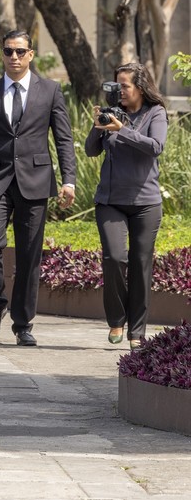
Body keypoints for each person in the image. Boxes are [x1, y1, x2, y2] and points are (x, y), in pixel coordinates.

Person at [0, 30, 76, 346]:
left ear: (31, 54)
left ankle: (23, 323)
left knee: (30, 255)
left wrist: (68, 179)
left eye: (20, 51)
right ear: (2, 54)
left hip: (35, 181)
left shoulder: (50, 90)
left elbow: (63, 138)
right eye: (8, 51)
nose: (14, 57)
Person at [84, 63, 167, 350]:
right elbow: (91, 150)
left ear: (140, 88)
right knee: (115, 258)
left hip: (145, 203)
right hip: (110, 201)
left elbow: (155, 146)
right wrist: (99, 126)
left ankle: (137, 332)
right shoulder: (113, 113)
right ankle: (116, 320)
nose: (119, 90)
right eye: (116, 85)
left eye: (124, 86)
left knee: (141, 264)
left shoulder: (155, 113)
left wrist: (123, 129)